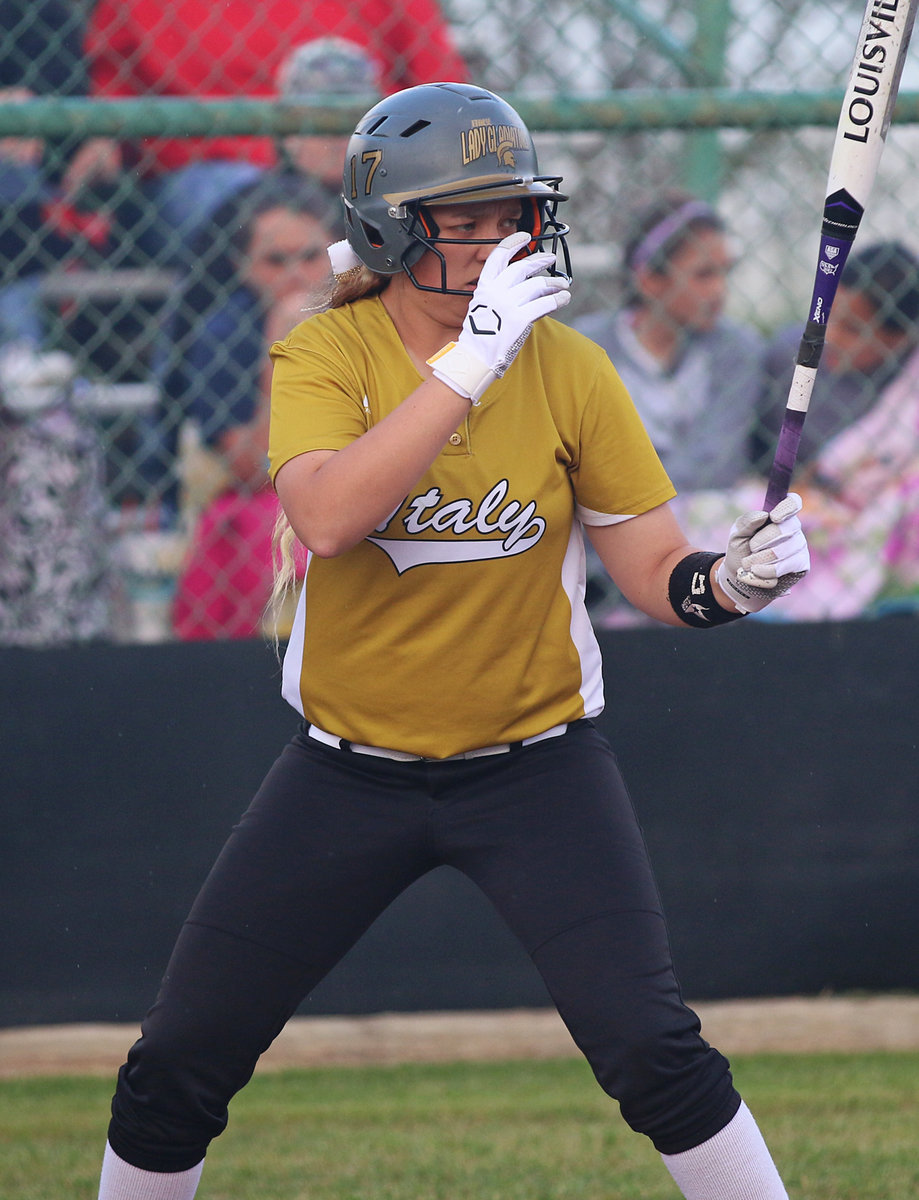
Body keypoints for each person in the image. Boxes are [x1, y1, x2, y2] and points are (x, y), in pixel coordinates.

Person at [95, 83, 810, 1200]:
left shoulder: (569, 368)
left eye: (509, 214)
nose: (498, 242)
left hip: (536, 767)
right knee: (178, 1061)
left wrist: (730, 581)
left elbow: (655, 573)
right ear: (387, 228)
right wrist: (466, 365)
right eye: (462, 219)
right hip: (347, 773)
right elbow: (328, 518)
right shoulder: (323, 351)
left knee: (652, 1050)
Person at [62, 0, 468, 264]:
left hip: (360, 165)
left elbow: (442, 91)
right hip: (216, 172)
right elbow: (114, 81)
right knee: (244, 209)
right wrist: (104, 139)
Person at [679, 240, 919, 621]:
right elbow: (755, 463)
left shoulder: (909, 382)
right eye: (830, 317)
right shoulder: (791, 356)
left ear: (899, 338)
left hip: (881, 519)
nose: (831, 336)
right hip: (804, 506)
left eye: (854, 329)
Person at [168, 173, 339, 639]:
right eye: (274, 261)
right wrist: (282, 349)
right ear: (242, 267)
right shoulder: (223, 335)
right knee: (253, 525)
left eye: (309, 257)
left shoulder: (369, 317)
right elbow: (250, 468)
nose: (295, 276)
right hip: (274, 494)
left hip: (356, 482)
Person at [574, 189, 765, 492]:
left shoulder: (735, 348)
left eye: (724, 272)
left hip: (702, 517)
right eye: (703, 275)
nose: (720, 290)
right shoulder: (587, 348)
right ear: (649, 281)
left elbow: (719, 463)